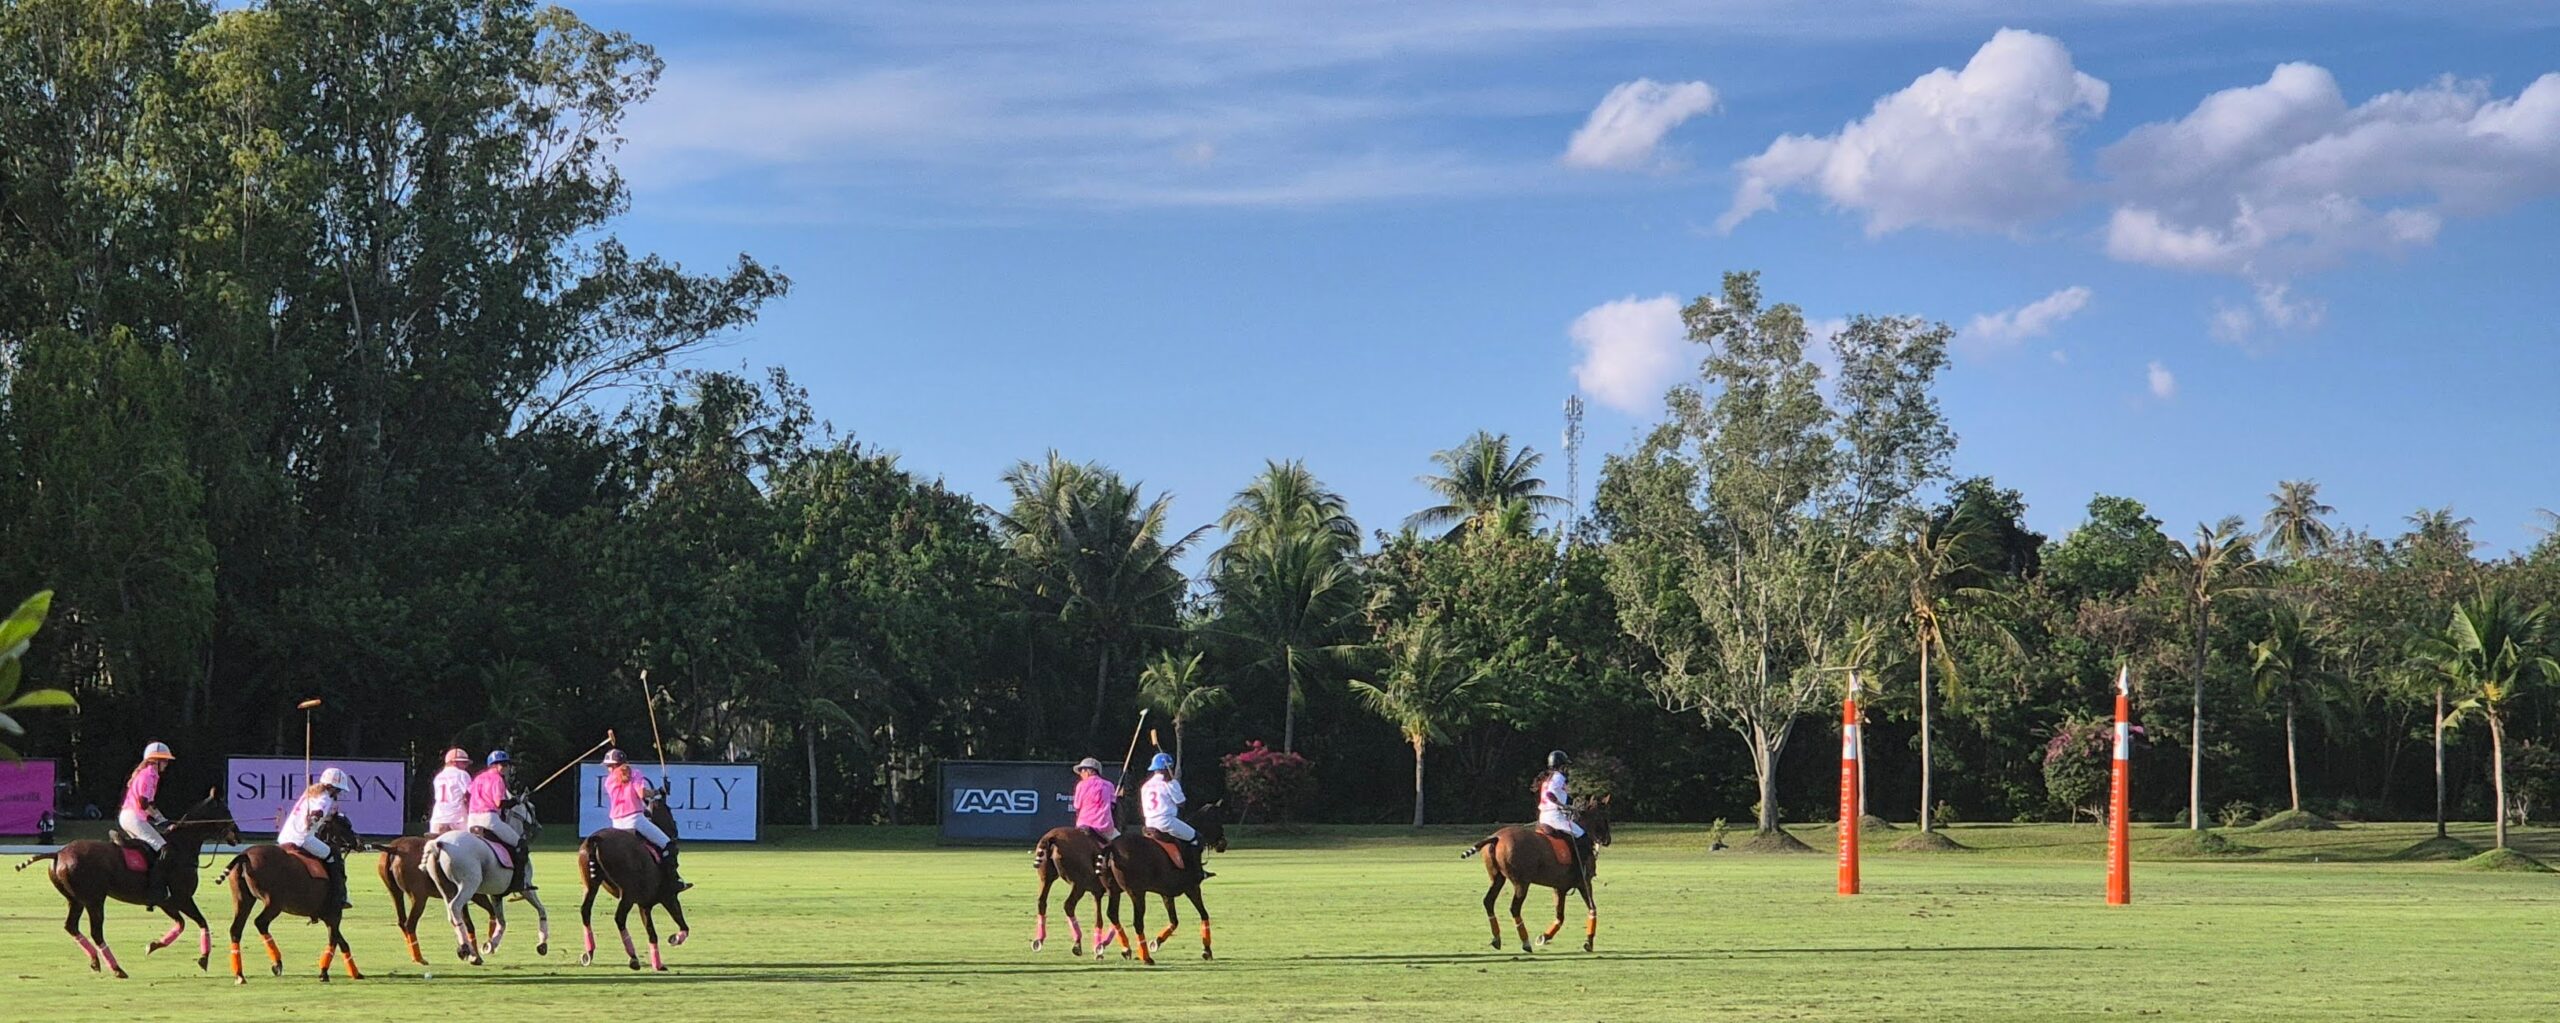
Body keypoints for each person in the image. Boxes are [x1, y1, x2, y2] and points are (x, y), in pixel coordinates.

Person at [601, 750, 689, 892]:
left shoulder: (609, 780)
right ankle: (673, 881)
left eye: (609, 766)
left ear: (613, 765)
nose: (608, 769)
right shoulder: (635, 773)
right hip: (635, 820)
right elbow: (642, 794)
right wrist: (659, 791)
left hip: (616, 824)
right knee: (668, 845)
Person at [277, 767, 353, 908]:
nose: (339, 793)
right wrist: (314, 817)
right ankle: (340, 895)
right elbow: (318, 810)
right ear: (331, 787)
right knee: (334, 856)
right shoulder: (324, 798)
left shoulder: (310, 793)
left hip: (284, 837)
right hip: (303, 838)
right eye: (338, 789)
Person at [467, 749, 533, 894]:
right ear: (497, 766)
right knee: (521, 845)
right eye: (505, 765)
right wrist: (517, 801)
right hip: (489, 820)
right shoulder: (497, 779)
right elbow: (499, 803)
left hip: (471, 820)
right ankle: (520, 882)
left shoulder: (478, 777)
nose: (507, 768)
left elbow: (469, 794)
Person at [119, 742, 176, 908]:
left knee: (148, 850)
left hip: (128, 816)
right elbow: (144, 803)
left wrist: (162, 819)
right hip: (134, 817)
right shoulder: (150, 774)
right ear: (155, 761)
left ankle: (141, 884)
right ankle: (155, 891)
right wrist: (161, 820)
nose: (166, 764)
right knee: (165, 849)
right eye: (164, 761)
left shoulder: (144, 773)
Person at [1138, 752, 1210, 883]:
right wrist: (1174, 785)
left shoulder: (1146, 785)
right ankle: (1197, 871)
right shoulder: (1169, 783)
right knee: (1197, 838)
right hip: (1166, 821)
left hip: (1149, 823)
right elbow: (1181, 802)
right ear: (1167, 768)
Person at [1533, 749, 1592, 879]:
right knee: (1582, 836)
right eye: (1565, 765)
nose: (1566, 769)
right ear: (1561, 765)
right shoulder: (1558, 777)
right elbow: (1550, 794)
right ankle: (1579, 872)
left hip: (1543, 817)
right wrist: (1562, 806)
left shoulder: (1547, 778)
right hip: (1555, 816)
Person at [1071, 757, 1119, 846]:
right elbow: (1113, 806)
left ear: (1091, 771)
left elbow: (1077, 806)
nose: (1081, 773)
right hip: (1104, 827)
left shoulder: (1081, 785)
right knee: (1120, 844)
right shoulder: (1109, 785)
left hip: (1083, 825)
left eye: (1083, 770)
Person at [427, 748, 472, 836]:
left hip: (438, 817)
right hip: (458, 818)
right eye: (463, 762)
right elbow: (469, 796)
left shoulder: (438, 777)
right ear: (453, 762)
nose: (465, 765)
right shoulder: (462, 774)